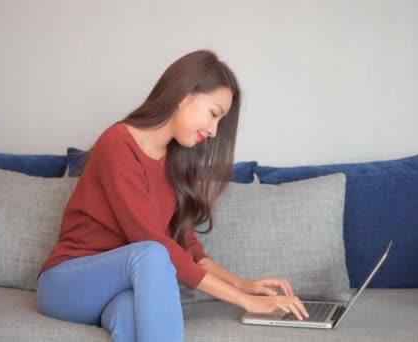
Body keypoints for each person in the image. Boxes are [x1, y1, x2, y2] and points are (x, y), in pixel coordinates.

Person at [36, 49, 309, 342]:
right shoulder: (118, 144)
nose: (215, 130)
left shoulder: (176, 161)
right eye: (214, 114)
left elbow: (187, 247)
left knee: (134, 323)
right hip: (67, 284)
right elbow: (150, 241)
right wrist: (247, 302)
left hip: (119, 292)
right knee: (153, 253)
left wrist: (242, 285)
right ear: (184, 95)